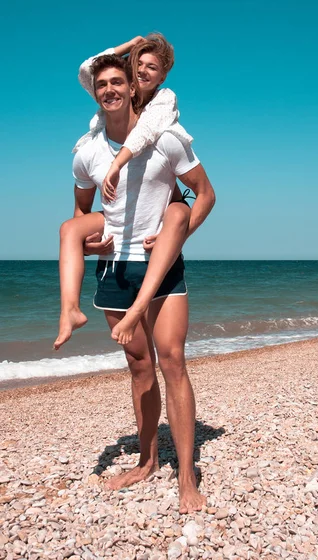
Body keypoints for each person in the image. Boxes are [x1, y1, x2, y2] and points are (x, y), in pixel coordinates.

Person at [72, 51, 215, 512]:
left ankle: (188, 475)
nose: (110, 90)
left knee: (172, 362)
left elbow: (205, 195)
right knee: (138, 368)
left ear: (134, 88)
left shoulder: (167, 139)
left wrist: (177, 236)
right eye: (102, 85)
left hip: (161, 270)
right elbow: (82, 214)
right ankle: (148, 459)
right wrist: (90, 244)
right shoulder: (88, 149)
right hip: (115, 271)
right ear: (95, 93)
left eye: (119, 82)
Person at [54, 34, 194, 350]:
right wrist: (125, 47)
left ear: (162, 76)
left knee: (179, 211)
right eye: (138, 65)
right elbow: (89, 69)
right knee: (69, 229)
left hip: (164, 206)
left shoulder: (162, 102)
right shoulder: (109, 105)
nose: (143, 72)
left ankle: (141, 306)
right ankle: (69, 310)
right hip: (118, 229)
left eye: (152, 67)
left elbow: (145, 132)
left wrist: (117, 163)